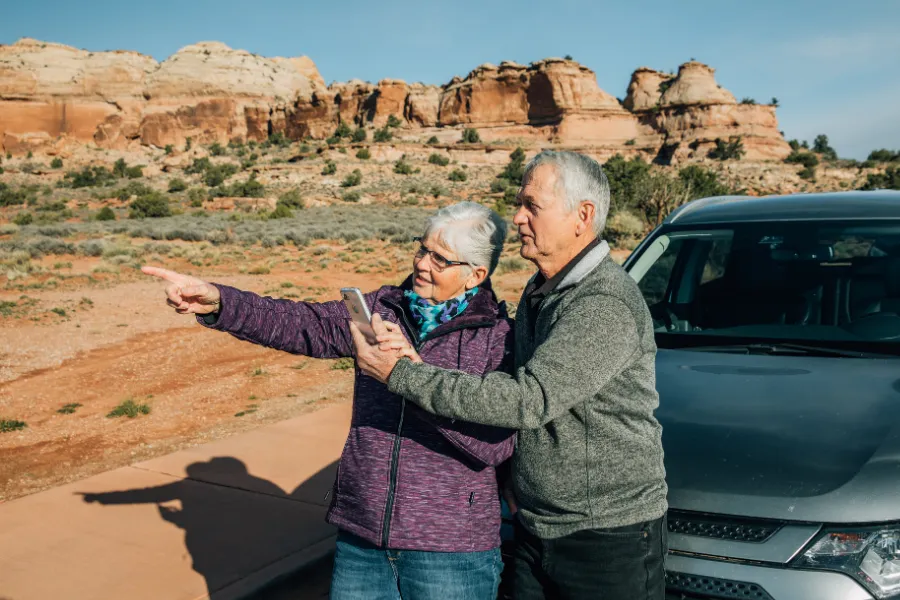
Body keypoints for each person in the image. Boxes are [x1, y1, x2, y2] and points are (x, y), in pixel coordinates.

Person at [142, 202, 516, 600]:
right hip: (362, 539)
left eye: (439, 259)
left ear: (476, 274)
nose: (422, 263)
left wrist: (410, 377)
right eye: (421, 248)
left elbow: (493, 443)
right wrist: (220, 302)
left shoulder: (498, 338)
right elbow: (302, 324)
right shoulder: (381, 309)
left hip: (451, 552)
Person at [351, 151, 669, 600]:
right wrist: (509, 474)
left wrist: (402, 374)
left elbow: (528, 399)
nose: (517, 217)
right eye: (520, 203)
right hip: (537, 525)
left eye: (531, 206)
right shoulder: (542, 290)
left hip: (604, 539)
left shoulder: (602, 303)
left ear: (582, 216)